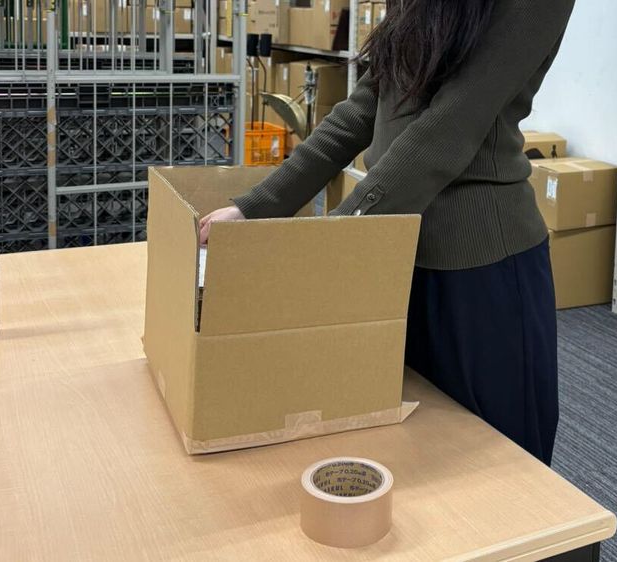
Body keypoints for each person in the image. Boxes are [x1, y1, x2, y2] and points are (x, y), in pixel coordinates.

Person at [200, 0, 576, 466]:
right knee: (405, 450)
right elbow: (363, 108)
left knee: (496, 461)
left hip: (478, 268)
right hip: (395, 246)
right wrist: (254, 207)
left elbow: (452, 124)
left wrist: (339, 237)